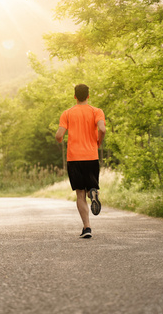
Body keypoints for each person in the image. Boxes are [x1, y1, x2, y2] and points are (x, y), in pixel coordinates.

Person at [55, 84, 106, 238]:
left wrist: (62, 140)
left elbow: (59, 136)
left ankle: (87, 227)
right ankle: (93, 192)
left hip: (74, 158)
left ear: (75, 96)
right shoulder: (96, 111)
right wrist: (98, 141)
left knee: (79, 194)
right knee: (90, 187)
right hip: (91, 156)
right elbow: (102, 129)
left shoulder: (67, 113)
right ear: (88, 96)